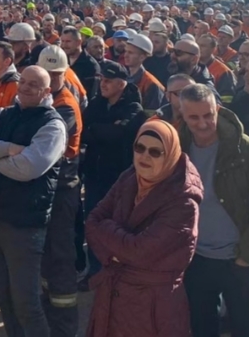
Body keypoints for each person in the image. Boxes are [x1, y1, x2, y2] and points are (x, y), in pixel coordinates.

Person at [0, 66, 67, 337]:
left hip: (24, 226)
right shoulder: (3, 114)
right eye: (23, 81)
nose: (24, 87)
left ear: (47, 92)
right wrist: (8, 149)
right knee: (2, 295)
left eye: (33, 84)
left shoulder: (53, 126)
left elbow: (27, 169)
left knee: (26, 303)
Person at [84, 119, 202, 337]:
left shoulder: (184, 203)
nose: (145, 156)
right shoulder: (129, 177)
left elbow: (140, 251)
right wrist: (113, 257)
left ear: (171, 156)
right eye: (140, 148)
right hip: (111, 299)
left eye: (156, 152)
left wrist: (108, 231)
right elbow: (91, 222)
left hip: (153, 308)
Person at [177, 83, 249, 337]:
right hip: (196, 258)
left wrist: (246, 254)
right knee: (201, 326)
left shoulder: (245, 148)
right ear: (183, 115)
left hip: (237, 258)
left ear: (217, 109)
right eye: (193, 117)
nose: (202, 123)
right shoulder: (177, 147)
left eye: (208, 115)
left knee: (245, 327)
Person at [80, 60, 147, 279]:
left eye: (108, 81)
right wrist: (105, 130)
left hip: (117, 178)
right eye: (102, 80)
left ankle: (115, 271)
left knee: (117, 226)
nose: (103, 84)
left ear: (121, 84)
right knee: (92, 223)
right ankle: (95, 271)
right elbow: (83, 131)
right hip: (94, 174)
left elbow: (120, 134)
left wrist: (97, 131)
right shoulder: (97, 103)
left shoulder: (133, 108)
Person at [36, 45, 83, 337]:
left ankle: (64, 329)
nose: (52, 80)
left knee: (61, 257)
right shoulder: (49, 98)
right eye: (48, 74)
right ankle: (48, 316)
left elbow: (41, 142)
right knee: (46, 255)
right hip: (49, 187)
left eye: (56, 74)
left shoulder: (64, 104)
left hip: (63, 189)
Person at [123, 33, 166, 112]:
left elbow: (151, 115)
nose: (125, 55)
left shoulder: (151, 84)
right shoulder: (123, 77)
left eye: (130, 53)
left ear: (142, 57)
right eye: (126, 51)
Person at [60, 26, 99, 101]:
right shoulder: (61, 60)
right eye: (63, 41)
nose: (64, 45)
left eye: (68, 41)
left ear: (79, 42)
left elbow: (91, 95)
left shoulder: (91, 65)